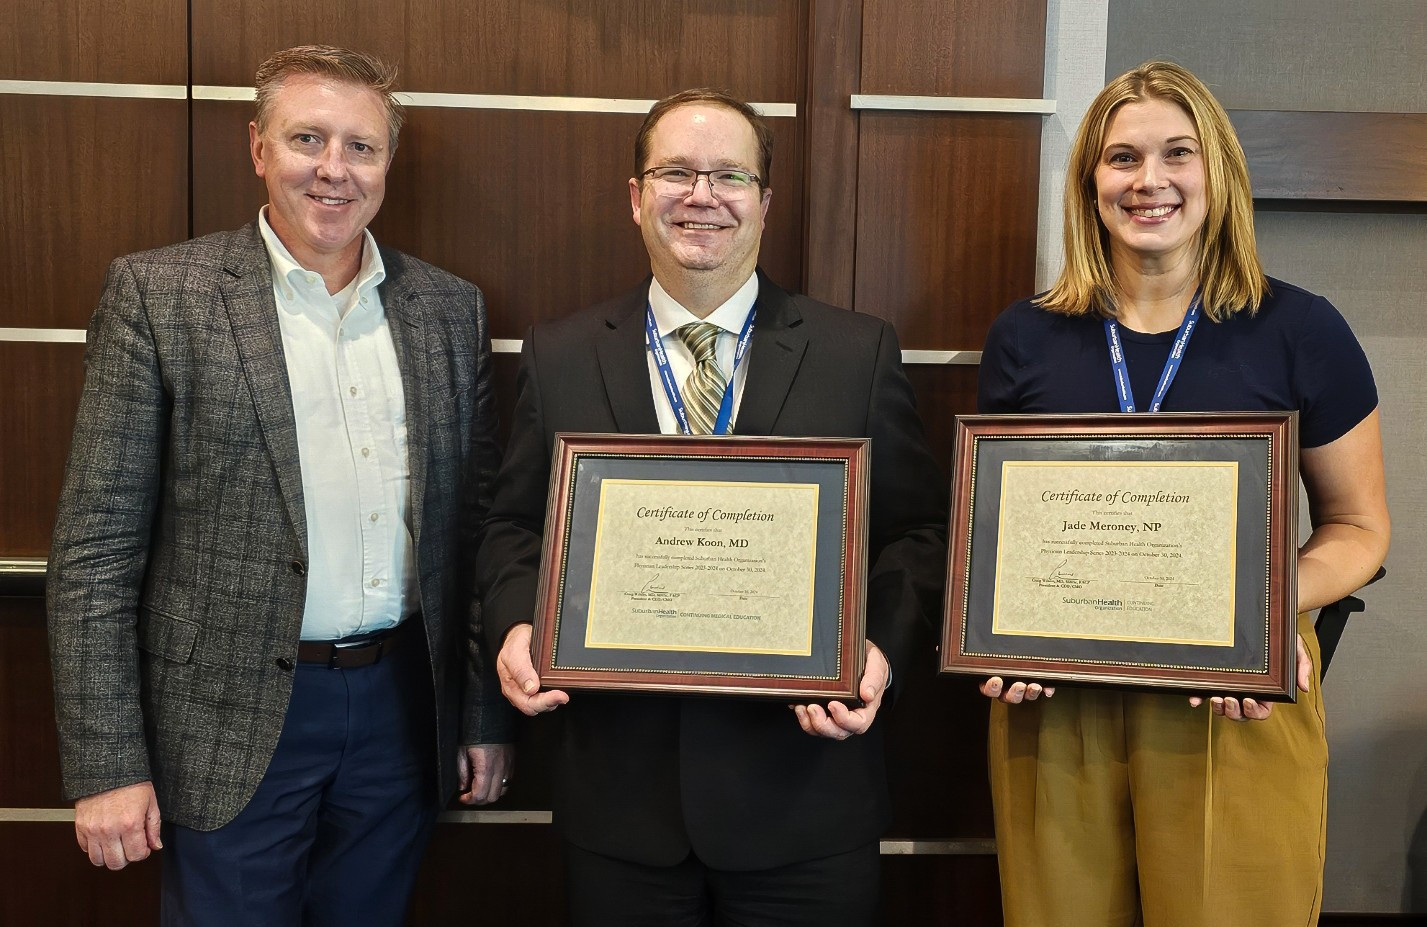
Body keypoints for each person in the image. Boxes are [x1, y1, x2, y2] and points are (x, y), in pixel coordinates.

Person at [46, 44, 514, 924]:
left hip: (400, 709)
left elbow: (476, 535)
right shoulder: (162, 295)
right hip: (226, 716)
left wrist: (481, 714)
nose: (334, 170)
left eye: (361, 147)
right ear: (258, 147)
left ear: (387, 163)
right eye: (308, 139)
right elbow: (96, 548)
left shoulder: (448, 309)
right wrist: (108, 761)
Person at [475, 88, 947, 926]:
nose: (702, 195)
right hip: (621, 806)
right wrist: (517, 622)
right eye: (676, 173)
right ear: (635, 194)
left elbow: (913, 532)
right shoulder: (562, 352)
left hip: (805, 799)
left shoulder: (856, 352)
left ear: (764, 200)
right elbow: (515, 522)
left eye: (730, 174)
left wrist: (878, 650)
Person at [977, 60, 1390, 926]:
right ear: (1090, 181)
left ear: (1219, 173)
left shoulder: (1300, 327)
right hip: (1059, 702)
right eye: (1121, 157)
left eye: (1176, 153)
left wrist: (1265, 614)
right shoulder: (1025, 337)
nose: (1148, 180)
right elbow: (1000, 533)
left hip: (1235, 695)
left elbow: (1357, 530)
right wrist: (994, 626)